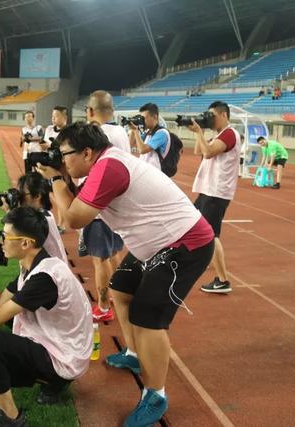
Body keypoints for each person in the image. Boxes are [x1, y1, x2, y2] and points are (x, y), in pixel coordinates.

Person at [35, 122, 215, 427]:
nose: (61, 160)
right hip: (155, 244)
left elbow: (73, 218)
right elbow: (77, 204)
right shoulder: (102, 165)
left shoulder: (109, 168)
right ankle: (134, 352)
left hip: (185, 245)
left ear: (87, 152)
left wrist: (55, 180)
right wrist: (63, 175)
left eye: (65, 155)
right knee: (121, 289)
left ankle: (156, 394)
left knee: (148, 318)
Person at [0, 207, 92, 427]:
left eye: (5, 236)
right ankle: (49, 383)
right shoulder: (32, 267)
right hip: (53, 344)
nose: (1, 241)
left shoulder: (44, 278)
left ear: (25, 243)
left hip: (63, 357)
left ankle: (12, 419)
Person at [81, 90, 131, 322]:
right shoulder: (121, 131)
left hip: (98, 206)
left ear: (90, 111)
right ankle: (126, 294)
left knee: (99, 259)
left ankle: (103, 306)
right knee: (113, 254)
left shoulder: (94, 134)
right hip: (119, 206)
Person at [187, 101, 240, 294]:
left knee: (211, 235)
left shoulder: (229, 134)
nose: (210, 119)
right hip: (208, 191)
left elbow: (208, 153)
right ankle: (196, 260)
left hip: (217, 193)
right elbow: (197, 151)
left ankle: (223, 280)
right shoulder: (218, 135)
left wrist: (201, 132)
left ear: (224, 115)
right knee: (191, 224)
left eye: (212, 116)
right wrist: (198, 133)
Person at [0, 172, 68, 264]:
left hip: (50, 272)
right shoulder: (45, 214)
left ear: (37, 196)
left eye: (22, 194)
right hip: (48, 266)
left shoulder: (42, 220)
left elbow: (17, 230)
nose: (19, 198)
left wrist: (9, 211)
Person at [43, 106, 70, 233]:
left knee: (62, 194)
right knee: (49, 193)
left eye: (56, 116)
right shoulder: (48, 129)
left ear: (65, 117)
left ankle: (61, 224)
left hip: (63, 168)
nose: (53, 118)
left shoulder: (70, 132)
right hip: (49, 165)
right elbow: (44, 145)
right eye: (52, 116)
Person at [129, 103, 170, 171]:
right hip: (145, 171)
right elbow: (131, 144)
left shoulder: (162, 133)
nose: (142, 121)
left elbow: (142, 150)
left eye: (143, 118)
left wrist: (135, 130)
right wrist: (133, 129)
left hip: (155, 173)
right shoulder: (147, 132)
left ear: (155, 117)